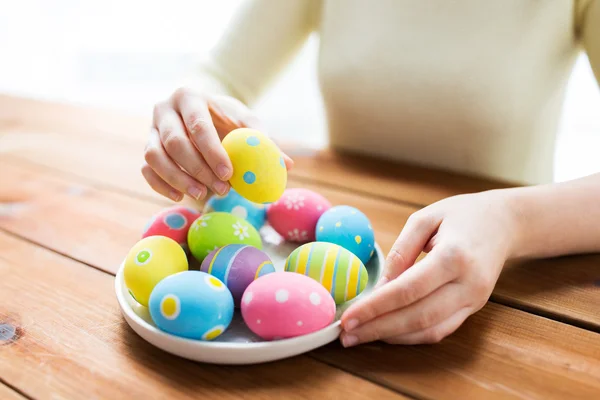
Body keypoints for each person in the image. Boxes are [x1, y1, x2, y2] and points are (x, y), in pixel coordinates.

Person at [141, 0, 600, 347]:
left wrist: (512, 219)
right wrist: (192, 112)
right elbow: (222, 75)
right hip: (353, 243)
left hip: (519, 293)